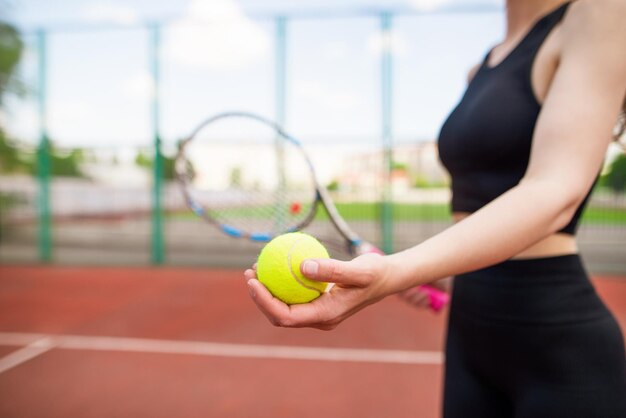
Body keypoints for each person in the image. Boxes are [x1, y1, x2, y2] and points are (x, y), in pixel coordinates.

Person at [244, 0, 626, 416]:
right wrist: (440, 274)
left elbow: (556, 190)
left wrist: (397, 270)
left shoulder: (601, 14)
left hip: (558, 345)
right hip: (469, 331)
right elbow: (480, 203)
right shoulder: (480, 68)